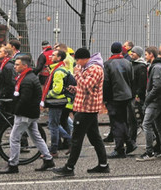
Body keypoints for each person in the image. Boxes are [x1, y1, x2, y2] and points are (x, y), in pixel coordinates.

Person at [53, 48, 109, 177]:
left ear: (84, 58)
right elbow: (86, 88)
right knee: (95, 138)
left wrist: (77, 74)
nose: (77, 63)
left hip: (86, 108)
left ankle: (69, 167)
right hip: (86, 107)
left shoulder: (95, 68)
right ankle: (103, 165)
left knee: (76, 139)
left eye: (78, 60)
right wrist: (75, 89)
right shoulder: (88, 68)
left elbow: (86, 85)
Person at [0, 55, 54, 174]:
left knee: (14, 138)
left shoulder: (27, 80)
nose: (15, 67)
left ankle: (13, 165)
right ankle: (48, 159)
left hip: (25, 114)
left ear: (25, 66)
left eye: (17, 64)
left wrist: (15, 111)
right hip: (31, 113)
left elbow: (24, 100)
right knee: (36, 137)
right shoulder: (29, 77)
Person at [136, 46, 161, 160]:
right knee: (160, 126)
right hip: (159, 101)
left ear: (151, 55)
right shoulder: (157, 67)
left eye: (146, 54)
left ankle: (149, 152)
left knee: (146, 125)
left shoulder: (156, 68)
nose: (145, 56)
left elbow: (157, 86)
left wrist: (148, 98)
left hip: (155, 102)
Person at [104, 42, 135, 158]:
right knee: (122, 120)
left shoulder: (108, 64)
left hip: (114, 97)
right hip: (126, 95)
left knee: (116, 123)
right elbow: (132, 80)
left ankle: (120, 148)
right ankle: (129, 143)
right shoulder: (128, 63)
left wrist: (105, 99)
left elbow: (106, 83)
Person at [42, 49, 73, 157]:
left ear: (59, 58)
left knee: (53, 125)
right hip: (58, 101)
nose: (51, 56)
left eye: (54, 55)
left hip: (56, 101)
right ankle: (69, 142)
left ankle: (54, 150)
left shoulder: (58, 71)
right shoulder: (58, 69)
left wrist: (47, 94)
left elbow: (57, 90)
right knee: (53, 124)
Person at [129, 45, 147, 144]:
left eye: (134, 52)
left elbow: (142, 83)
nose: (131, 53)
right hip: (132, 95)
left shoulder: (141, 66)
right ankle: (132, 140)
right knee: (132, 119)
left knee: (139, 118)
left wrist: (138, 96)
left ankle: (152, 136)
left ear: (138, 54)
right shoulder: (132, 64)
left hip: (136, 97)